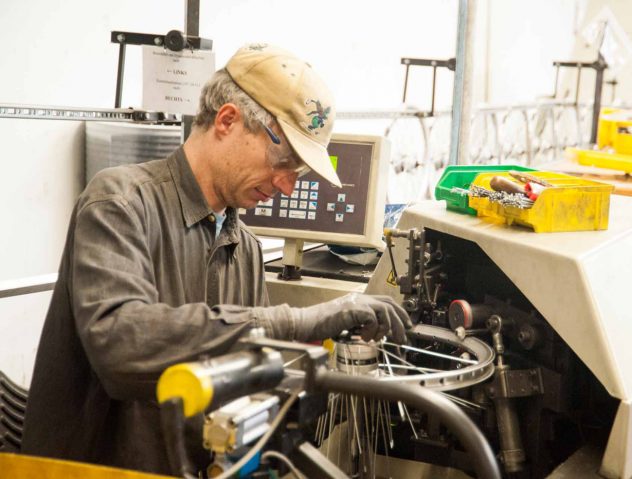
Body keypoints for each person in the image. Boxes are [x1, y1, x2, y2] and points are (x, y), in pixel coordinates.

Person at [21, 43, 410, 476]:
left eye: (298, 174)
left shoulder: (245, 248)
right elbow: (121, 346)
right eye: (284, 160)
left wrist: (338, 380)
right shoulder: (120, 203)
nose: (286, 186)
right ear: (227, 120)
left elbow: (253, 382)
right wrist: (298, 321)